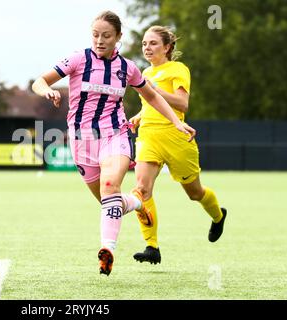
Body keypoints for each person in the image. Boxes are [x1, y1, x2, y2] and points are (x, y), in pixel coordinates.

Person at [32, 12, 196, 276]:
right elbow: (39, 81)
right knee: (110, 204)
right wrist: (47, 90)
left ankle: (107, 251)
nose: (99, 40)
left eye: (106, 35)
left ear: (118, 37)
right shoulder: (78, 59)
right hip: (82, 140)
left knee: (110, 186)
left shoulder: (128, 68)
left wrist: (176, 122)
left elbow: (152, 96)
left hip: (115, 134)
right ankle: (138, 203)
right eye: (95, 35)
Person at [129, 26, 228, 265]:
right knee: (141, 190)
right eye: (144, 44)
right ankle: (151, 246)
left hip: (176, 136)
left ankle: (218, 215)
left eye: (153, 43)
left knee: (195, 193)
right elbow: (150, 103)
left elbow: (182, 104)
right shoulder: (144, 71)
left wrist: (153, 88)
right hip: (149, 136)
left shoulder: (178, 69)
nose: (147, 48)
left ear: (167, 47)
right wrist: (139, 116)